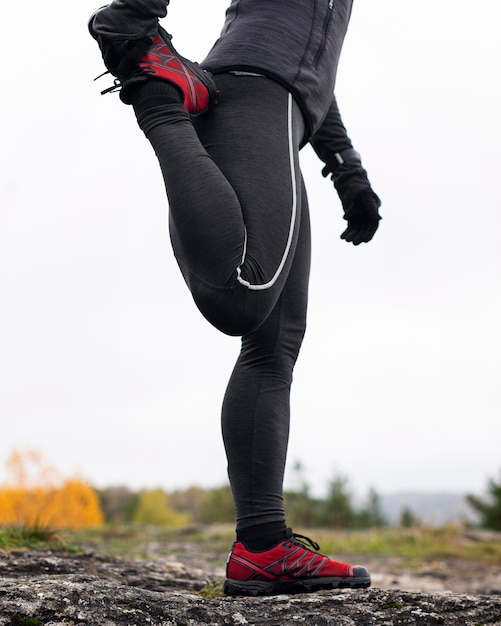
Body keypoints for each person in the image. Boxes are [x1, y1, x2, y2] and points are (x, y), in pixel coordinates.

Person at [89, 0, 381, 597]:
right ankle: (158, 103)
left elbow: (310, 66)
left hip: (285, 116)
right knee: (240, 293)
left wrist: (346, 167)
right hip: (252, 96)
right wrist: (137, 16)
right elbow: (282, 55)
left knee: (275, 343)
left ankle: (262, 548)